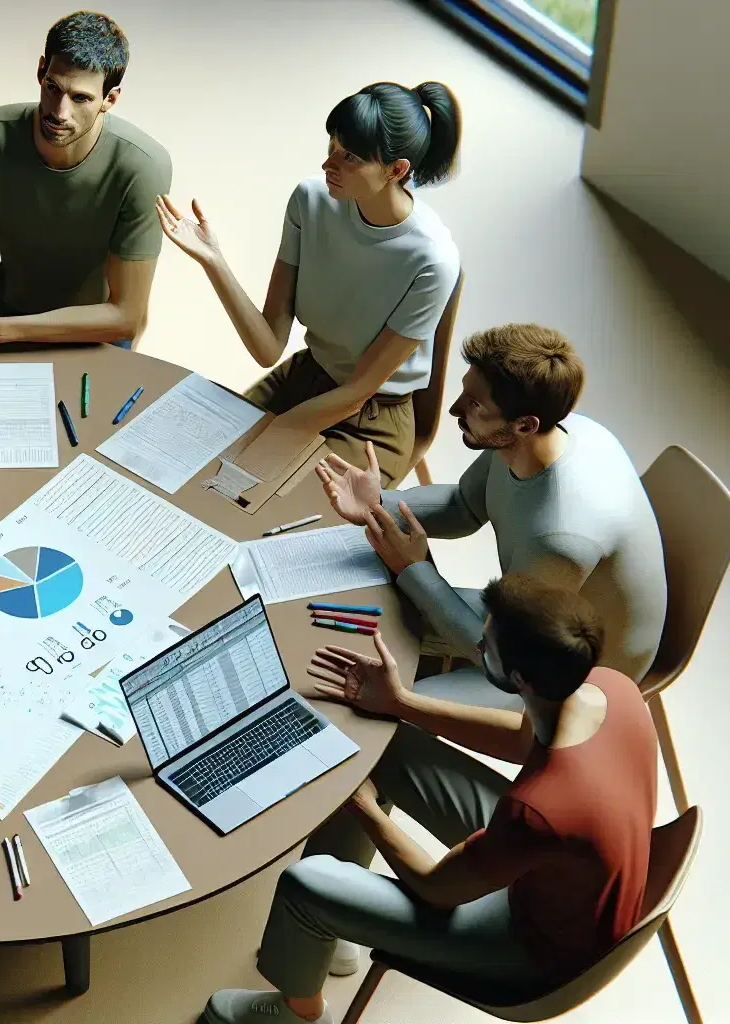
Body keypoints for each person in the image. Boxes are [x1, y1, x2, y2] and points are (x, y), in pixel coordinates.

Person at [203, 575, 657, 1023]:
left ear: (520, 679)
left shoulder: (538, 810)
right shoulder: (608, 686)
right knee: (383, 746)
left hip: (532, 945)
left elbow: (437, 888)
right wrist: (398, 703)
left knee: (304, 884)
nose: (478, 650)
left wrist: (358, 801)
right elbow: (523, 739)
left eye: (486, 647)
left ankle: (297, 1011)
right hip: (564, 872)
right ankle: (334, 925)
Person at [317, 324, 667, 698]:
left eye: (475, 404)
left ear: (524, 424)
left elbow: (497, 657)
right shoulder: (544, 431)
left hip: (572, 676)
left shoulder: (560, 538)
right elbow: (464, 507)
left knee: (378, 696)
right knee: (373, 607)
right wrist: (379, 503)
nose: (454, 409)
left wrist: (414, 570)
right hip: (524, 623)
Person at [158, 81, 462, 487]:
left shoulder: (432, 259)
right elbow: (268, 347)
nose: (327, 166)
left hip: (372, 420)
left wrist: (264, 450)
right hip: (305, 378)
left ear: (397, 169)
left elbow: (357, 391)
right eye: (331, 148)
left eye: (349, 157)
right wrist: (213, 259)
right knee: (191, 470)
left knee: (246, 498)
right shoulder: (310, 201)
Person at [0, 11, 172, 379]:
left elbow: (127, 315)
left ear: (110, 99)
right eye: (53, 87)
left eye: (81, 98)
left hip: (94, 333)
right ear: (41, 71)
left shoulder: (143, 167)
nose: (59, 111)